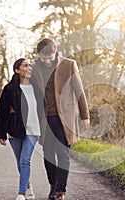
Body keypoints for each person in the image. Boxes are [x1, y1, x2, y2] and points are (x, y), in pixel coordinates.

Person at [31, 38, 90, 200]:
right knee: (48, 154)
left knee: (63, 153)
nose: (47, 61)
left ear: (55, 52)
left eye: (50, 58)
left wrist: (85, 116)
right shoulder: (34, 67)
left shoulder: (69, 64)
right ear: (39, 56)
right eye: (44, 58)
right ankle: (53, 185)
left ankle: (61, 191)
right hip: (45, 119)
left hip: (65, 119)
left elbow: (79, 91)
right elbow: (29, 91)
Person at [0, 58, 41, 200]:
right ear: (17, 70)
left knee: (25, 160)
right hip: (15, 129)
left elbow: (43, 107)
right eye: (25, 66)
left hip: (33, 129)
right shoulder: (9, 89)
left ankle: (21, 193)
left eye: (30, 66)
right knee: (20, 160)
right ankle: (28, 186)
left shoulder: (37, 87)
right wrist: (1, 133)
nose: (29, 68)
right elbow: (2, 111)